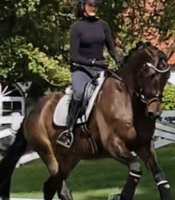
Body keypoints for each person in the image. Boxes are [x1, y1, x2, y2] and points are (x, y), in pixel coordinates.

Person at [57, 0, 120, 148]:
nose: (94, 7)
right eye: (90, 4)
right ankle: (69, 131)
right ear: (82, 6)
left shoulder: (103, 25)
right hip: (82, 69)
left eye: (95, 4)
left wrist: (118, 59)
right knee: (78, 94)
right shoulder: (77, 27)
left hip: (100, 69)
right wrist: (92, 63)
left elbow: (111, 48)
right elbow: (74, 56)